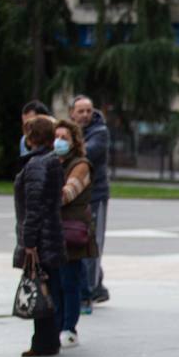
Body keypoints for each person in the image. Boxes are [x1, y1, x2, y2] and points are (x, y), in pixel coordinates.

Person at [13, 115, 66, 357]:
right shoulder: (52, 161)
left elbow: (33, 207)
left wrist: (29, 242)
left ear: (33, 137)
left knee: (40, 287)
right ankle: (49, 340)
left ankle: (43, 342)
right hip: (52, 234)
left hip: (42, 238)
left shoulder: (36, 164)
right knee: (49, 287)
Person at [53, 119, 98, 349]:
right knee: (56, 283)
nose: (58, 142)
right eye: (56, 137)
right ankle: (58, 324)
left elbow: (66, 194)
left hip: (71, 231)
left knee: (69, 282)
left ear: (74, 142)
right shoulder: (52, 162)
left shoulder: (80, 165)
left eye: (64, 138)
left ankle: (69, 328)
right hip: (54, 230)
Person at [70, 95, 111, 310]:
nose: (86, 115)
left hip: (96, 196)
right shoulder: (71, 132)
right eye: (81, 111)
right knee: (79, 241)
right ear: (72, 113)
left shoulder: (99, 132)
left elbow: (87, 153)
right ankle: (97, 285)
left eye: (89, 110)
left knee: (93, 243)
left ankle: (91, 290)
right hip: (77, 198)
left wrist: (70, 145)